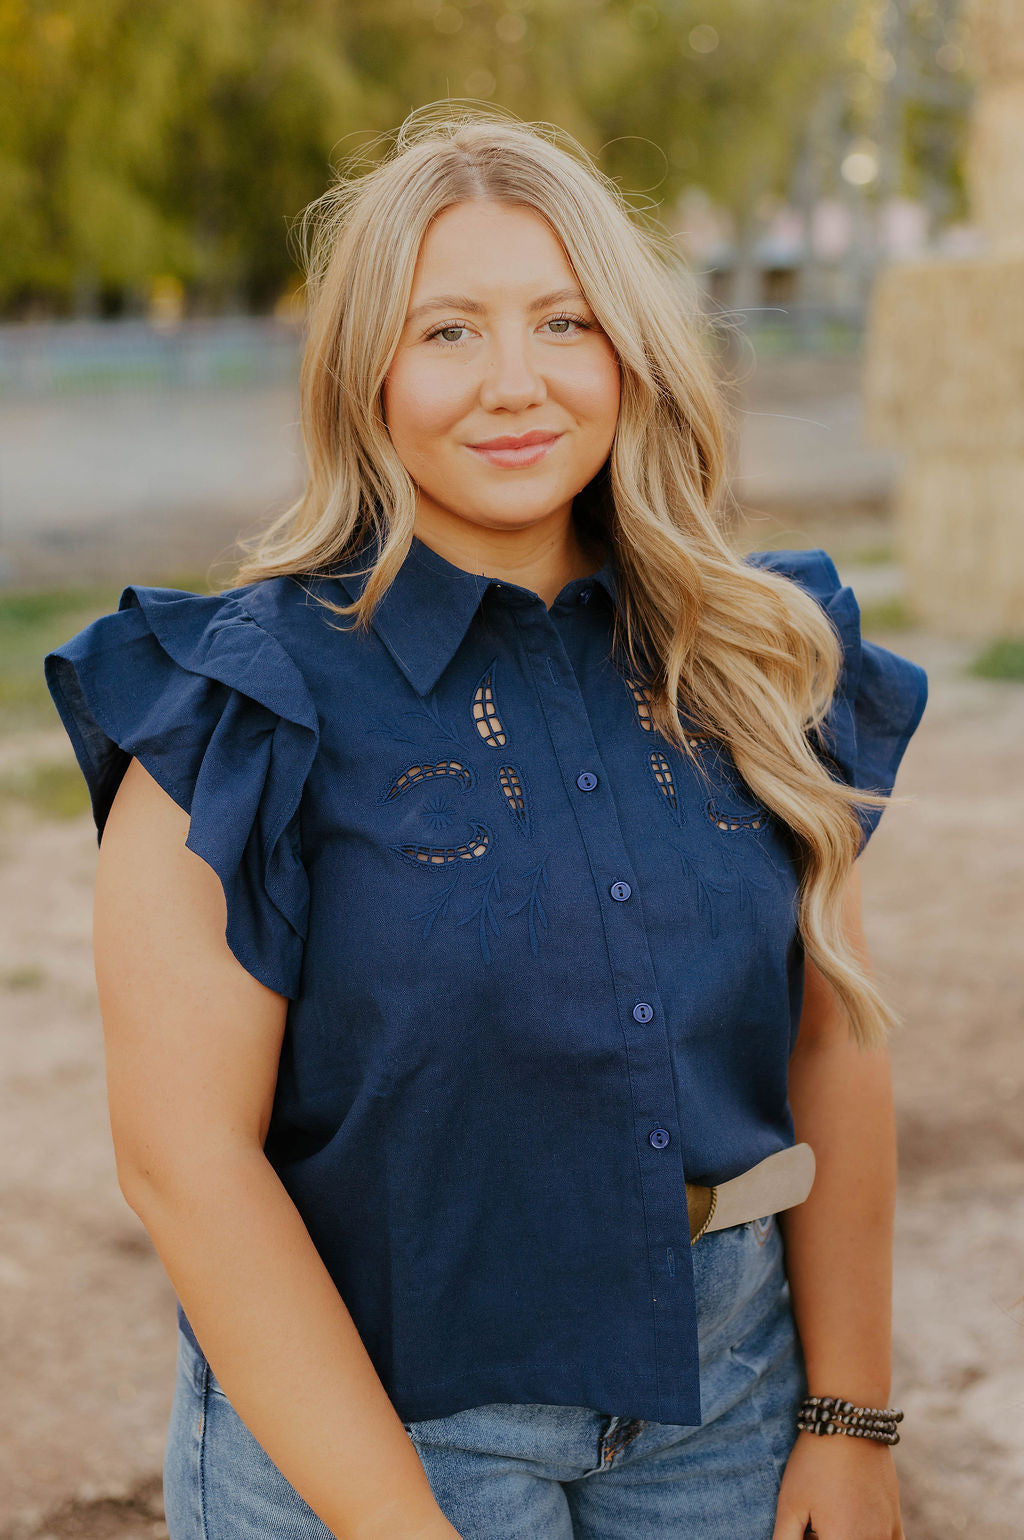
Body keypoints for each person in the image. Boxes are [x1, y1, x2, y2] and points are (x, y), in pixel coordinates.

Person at [43, 104, 925, 1540]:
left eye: (565, 321)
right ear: (364, 373)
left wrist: (850, 1420)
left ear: (632, 356)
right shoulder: (236, 701)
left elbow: (836, 1035)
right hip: (376, 1423)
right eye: (446, 331)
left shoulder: (753, 656)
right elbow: (184, 1165)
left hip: (728, 1407)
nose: (512, 382)